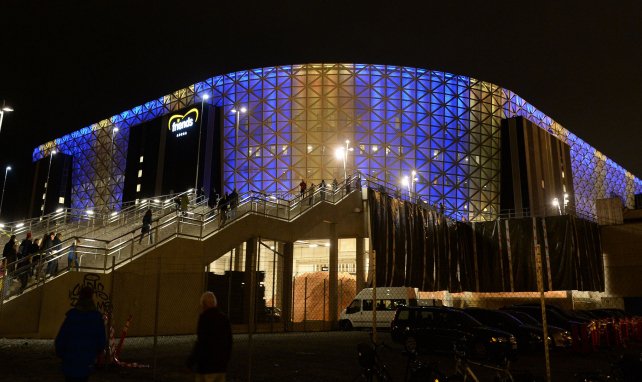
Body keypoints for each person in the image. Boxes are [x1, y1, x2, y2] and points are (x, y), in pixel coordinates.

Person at [55, 286, 106, 382]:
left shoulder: (72, 316)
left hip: (70, 360)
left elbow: (61, 339)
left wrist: (62, 354)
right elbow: (101, 341)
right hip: (86, 360)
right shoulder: (96, 318)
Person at [187, 291, 233, 382]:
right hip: (221, 365)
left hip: (207, 366)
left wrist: (191, 361)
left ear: (204, 304)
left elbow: (202, 343)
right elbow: (229, 341)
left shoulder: (204, 318)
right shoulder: (224, 318)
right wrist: (225, 360)